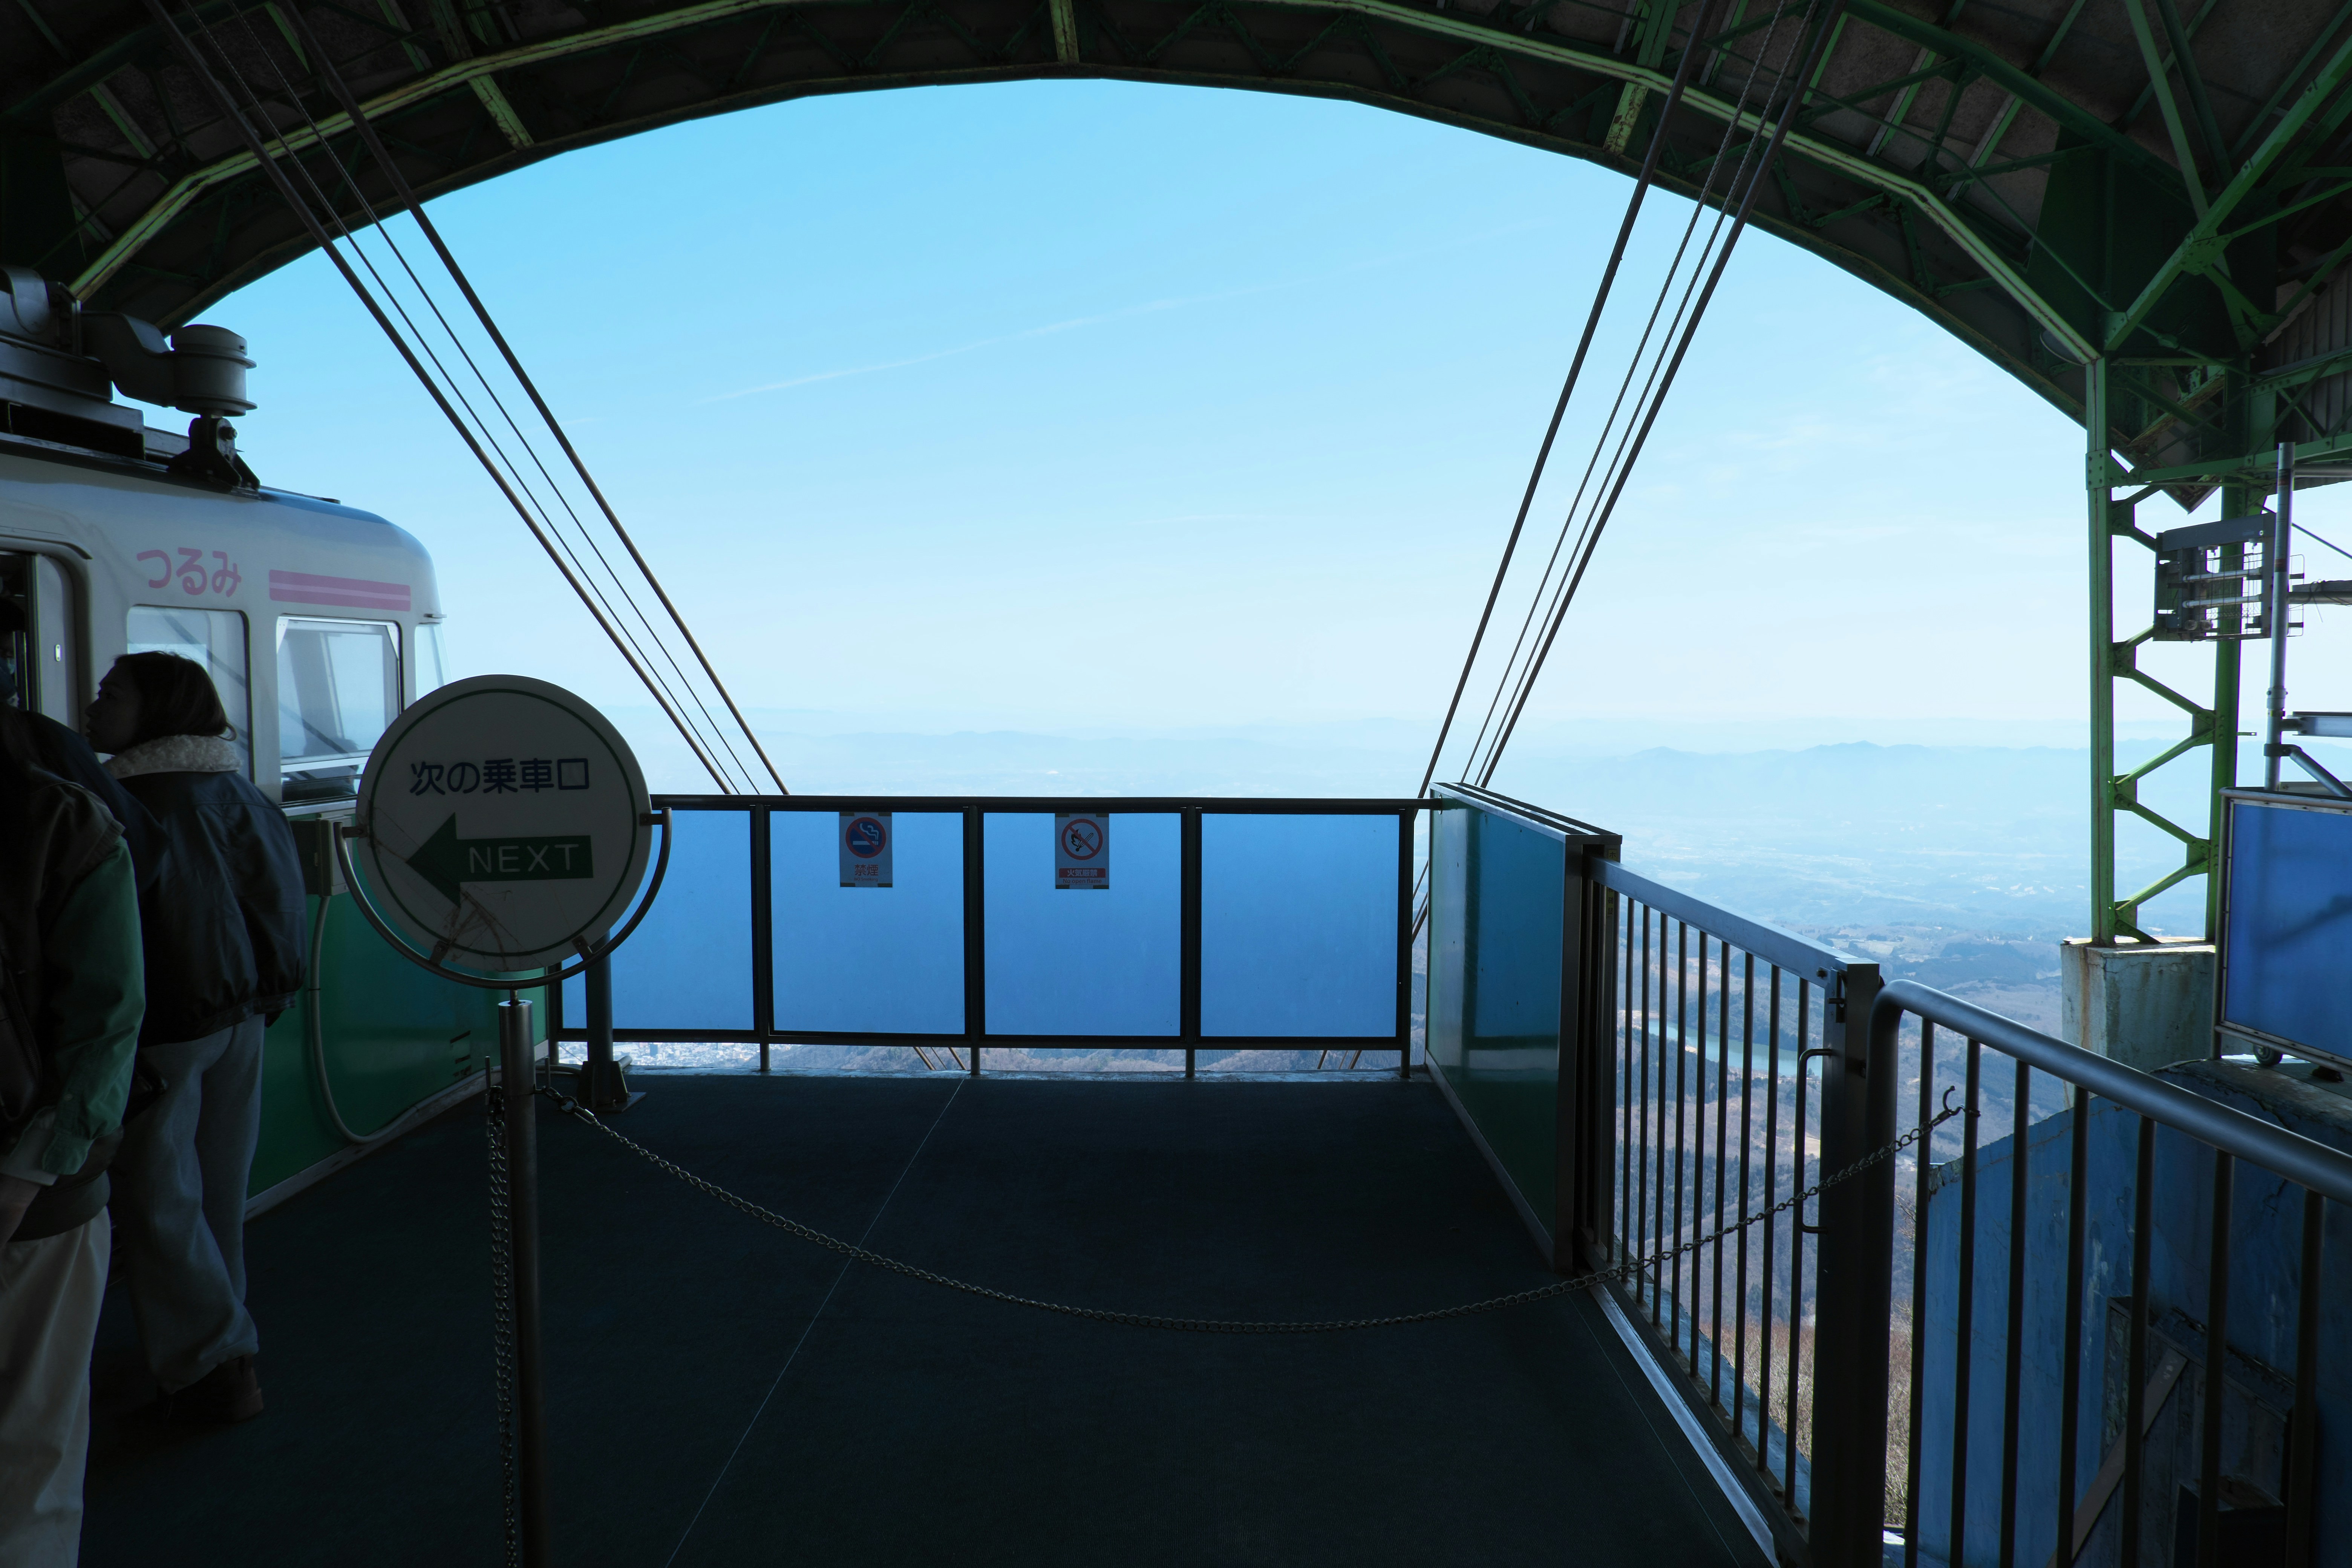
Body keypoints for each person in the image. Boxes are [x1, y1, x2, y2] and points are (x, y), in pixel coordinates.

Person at [87, 652, 304, 1424]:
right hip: (242, 1012)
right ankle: (220, 1329)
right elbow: (279, 900)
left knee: (156, 1196)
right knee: (217, 1187)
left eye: (112, 693)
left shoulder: (128, 801)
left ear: (158, 709)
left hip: (166, 1019)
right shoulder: (237, 788)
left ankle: (213, 1360)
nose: (94, 704)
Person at [0, 703, 143, 1565]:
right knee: (33, 1443)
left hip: (34, 1189)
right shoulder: (61, 818)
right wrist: (31, 1173)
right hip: (39, 1197)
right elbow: (107, 1022)